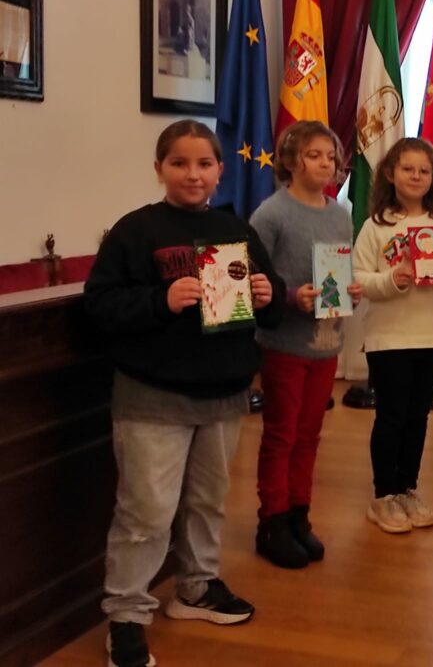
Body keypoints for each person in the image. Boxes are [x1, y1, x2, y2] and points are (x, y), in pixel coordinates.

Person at [83, 120, 285, 667]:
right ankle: (127, 615)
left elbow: (270, 298)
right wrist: (160, 301)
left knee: (207, 501)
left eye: (204, 164)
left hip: (223, 393)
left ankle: (196, 586)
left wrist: (268, 293)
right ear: (159, 169)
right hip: (153, 396)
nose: (192, 174)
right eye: (179, 163)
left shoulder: (235, 229)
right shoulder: (135, 231)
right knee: (146, 511)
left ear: (220, 170)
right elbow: (99, 304)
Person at [249, 121, 363, 569]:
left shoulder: (339, 214)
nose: (325, 164)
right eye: (315, 155)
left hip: (325, 342)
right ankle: (272, 520)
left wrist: (349, 290)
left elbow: (339, 269)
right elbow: (254, 279)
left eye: (331, 157)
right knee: (282, 433)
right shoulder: (271, 214)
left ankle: (299, 513)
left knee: (310, 433)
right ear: (292, 161)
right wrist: (291, 296)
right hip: (284, 342)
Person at [353, 137, 433, 534]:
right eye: (408, 169)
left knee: (418, 417)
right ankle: (384, 494)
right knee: (391, 416)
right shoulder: (376, 226)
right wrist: (392, 279)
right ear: (390, 174)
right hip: (388, 339)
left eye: (424, 170)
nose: (417, 176)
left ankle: (407, 489)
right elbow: (359, 279)